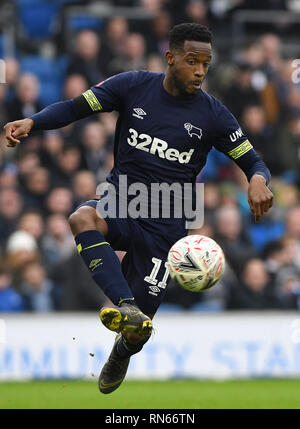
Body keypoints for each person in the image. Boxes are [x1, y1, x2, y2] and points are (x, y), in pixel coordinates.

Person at [4, 23, 274, 394]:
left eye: (206, 64)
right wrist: (33, 121)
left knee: (139, 331)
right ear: (170, 58)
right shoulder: (133, 86)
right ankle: (125, 304)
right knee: (82, 217)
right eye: (191, 61)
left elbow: (253, 161)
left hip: (167, 224)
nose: (199, 71)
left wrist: (258, 180)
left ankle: (123, 348)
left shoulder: (213, 115)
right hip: (122, 199)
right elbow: (74, 107)